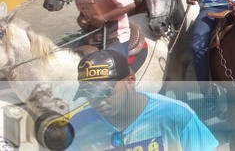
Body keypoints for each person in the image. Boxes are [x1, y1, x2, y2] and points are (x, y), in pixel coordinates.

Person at [69, 50, 218, 151]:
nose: (98, 102)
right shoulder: (77, 124)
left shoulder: (178, 115)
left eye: (106, 92)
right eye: (90, 94)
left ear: (130, 81)